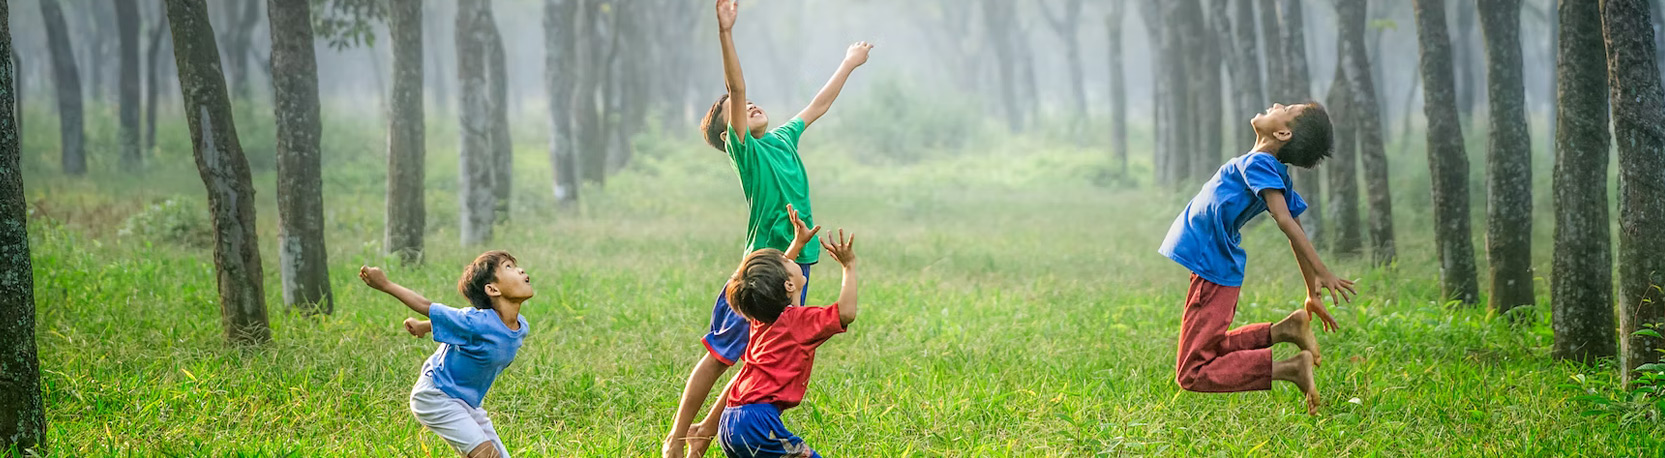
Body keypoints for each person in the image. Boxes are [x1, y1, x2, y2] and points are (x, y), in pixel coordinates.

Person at [664, 0, 873, 455]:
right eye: (734, 110)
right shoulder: (747, 151)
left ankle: (705, 433)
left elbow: (818, 105)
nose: (749, 105)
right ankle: (677, 437)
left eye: (750, 105)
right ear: (729, 132)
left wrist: (848, 63)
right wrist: (726, 33)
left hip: (799, 263)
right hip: (759, 270)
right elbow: (737, 88)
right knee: (723, 355)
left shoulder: (782, 138)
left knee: (760, 356)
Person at [1157, 102, 1356, 415]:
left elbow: (1286, 221)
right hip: (1214, 265)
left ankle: (1291, 369)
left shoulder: (1261, 163)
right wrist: (1311, 291)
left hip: (1212, 267)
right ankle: (1286, 330)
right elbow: (1295, 226)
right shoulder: (1267, 167)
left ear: (1282, 132)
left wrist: (1321, 271)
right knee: (1209, 349)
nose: (1276, 104)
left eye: (1286, 108)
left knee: (1192, 371)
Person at [359, 251, 533, 457]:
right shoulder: (475, 321)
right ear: (492, 289)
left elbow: (461, 329)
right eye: (508, 267)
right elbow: (427, 307)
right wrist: (385, 284)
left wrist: (424, 327)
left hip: (468, 403)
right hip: (436, 395)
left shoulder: (520, 327)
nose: (520, 270)